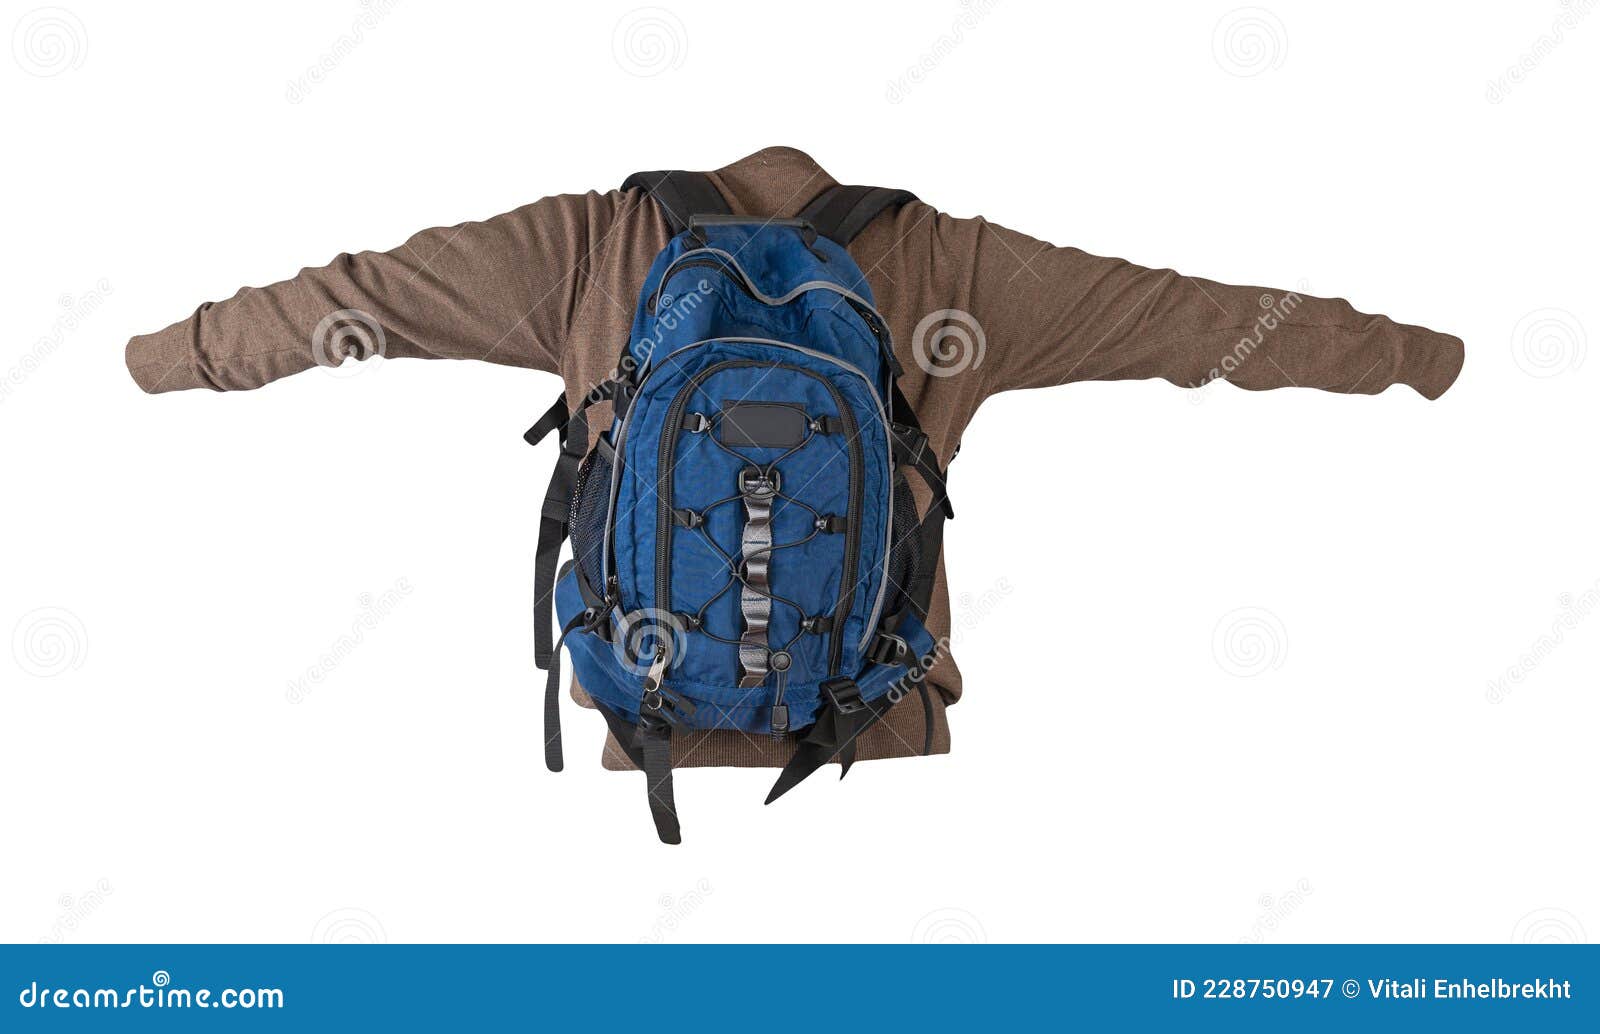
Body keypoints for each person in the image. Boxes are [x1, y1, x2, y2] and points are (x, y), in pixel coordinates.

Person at [125, 146, 1465, 771]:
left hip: (650, 754)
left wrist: (169, 355)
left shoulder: (587, 246)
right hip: (877, 755)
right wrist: (1418, 356)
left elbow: (354, 298)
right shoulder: (951, 263)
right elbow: (1207, 324)